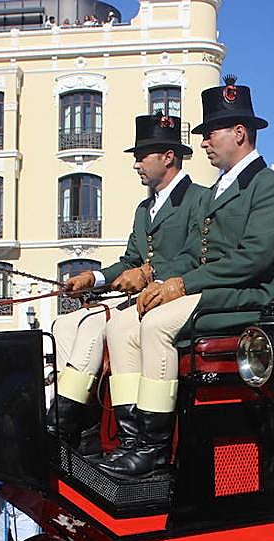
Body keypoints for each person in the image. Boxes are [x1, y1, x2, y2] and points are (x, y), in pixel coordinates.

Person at [98, 76, 274, 478]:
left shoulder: (272, 188)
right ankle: (132, 438)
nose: (204, 142)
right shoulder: (213, 193)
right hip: (215, 290)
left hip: (253, 296)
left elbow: (252, 260)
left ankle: (153, 451)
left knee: (155, 324)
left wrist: (183, 285)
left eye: (211, 133)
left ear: (239, 134)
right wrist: (155, 277)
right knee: (122, 324)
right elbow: (193, 253)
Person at [55, 112, 208, 452]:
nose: (136, 164)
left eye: (141, 157)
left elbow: (196, 255)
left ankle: (80, 426)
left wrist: (151, 272)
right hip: (142, 295)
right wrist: (92, 278)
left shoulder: (198, 199)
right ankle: (83, 428)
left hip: (173, 296)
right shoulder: (144, 209)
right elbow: (128, 261)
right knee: (63, 325)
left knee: (105, 325)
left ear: (168, 157)